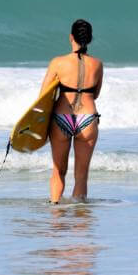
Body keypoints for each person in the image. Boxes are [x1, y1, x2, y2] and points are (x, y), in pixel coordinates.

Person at [39, 19, 103, 204]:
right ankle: (79, 220)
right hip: (88, 119)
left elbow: (43, 95)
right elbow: (96, 94)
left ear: (71, 37)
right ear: (89, 39)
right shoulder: (98, 64)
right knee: (81, 175)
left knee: (58, 171)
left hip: (61, 118)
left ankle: (56, 212)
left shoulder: (58, 63)